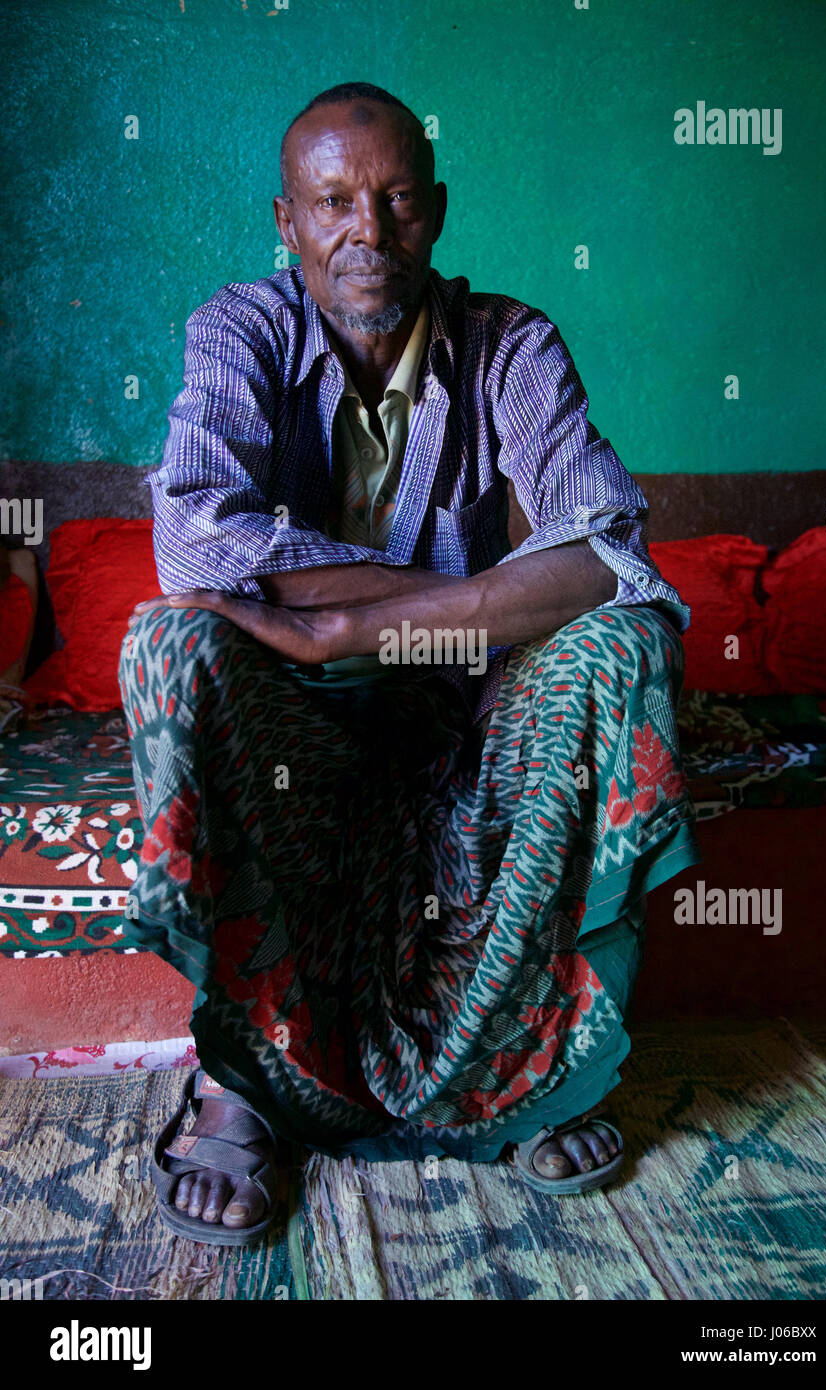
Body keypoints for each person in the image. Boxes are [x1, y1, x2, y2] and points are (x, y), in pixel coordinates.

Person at [122, 82, 701, 1245]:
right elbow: (191, 545)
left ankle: (538, 1073)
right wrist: (462, 596)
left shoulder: (512, 345)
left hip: (468, 702)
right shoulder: (239, 332)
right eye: (333, 203)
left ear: (435, 212)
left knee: (623, 641)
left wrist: (358, 624)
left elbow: (606, 551)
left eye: (393, 201)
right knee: (167, 637)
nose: (365, 233)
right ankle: (242, 1080)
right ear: (286, 222)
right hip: (298, 716)